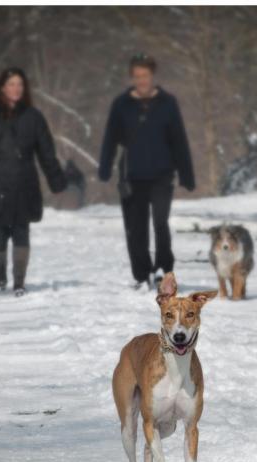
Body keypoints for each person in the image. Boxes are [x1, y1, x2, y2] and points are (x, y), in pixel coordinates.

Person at [0, 67, 81, 296]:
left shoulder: (33, 117)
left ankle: (19, 283)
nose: (16, 89)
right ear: (2, 88)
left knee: (21, 233)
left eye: (19, 85)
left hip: (25, 183)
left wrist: (57, 181)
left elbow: (47, 153)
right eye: (11, 84)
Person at [98, 53, 195, 291]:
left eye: (146, 76)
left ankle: (163, 269)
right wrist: (105, 167)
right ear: (132, 77)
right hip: (131, 176)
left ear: (153, 76)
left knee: (160, 222)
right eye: (137, 76)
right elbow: (110, 138)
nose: (142, 80)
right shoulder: (121, 104)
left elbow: (179, 140)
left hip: (162, 174)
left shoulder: (167, 103)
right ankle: (141, 274)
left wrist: (186, 173)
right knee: (135, 228)